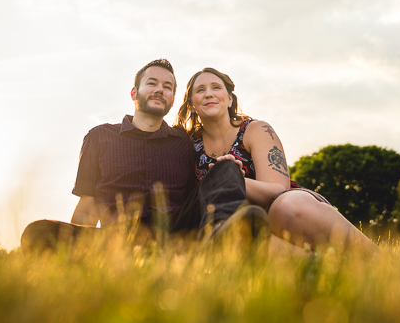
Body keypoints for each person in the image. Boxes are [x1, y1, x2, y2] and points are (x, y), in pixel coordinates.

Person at [21, 59, 269, 253]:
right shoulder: (99, 137)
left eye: (168, 87)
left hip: (175, 232)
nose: (160, 90)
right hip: (116, 238)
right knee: (37, 232)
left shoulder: (183, 142)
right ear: (134, 93)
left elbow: (200, 194)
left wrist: (228, 170)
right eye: (152, 83)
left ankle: (228, 236)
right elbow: (87, 205)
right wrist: (77, 242)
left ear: (172, 100)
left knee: (226, 168)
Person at [174, 67, 378, 253]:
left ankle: (378, 257)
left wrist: (230, 179)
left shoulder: (255, 130)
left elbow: (279, 189)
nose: (208, 93)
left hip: (280, 211)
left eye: (216, 87)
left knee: (286, 206)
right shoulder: (188, 144)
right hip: (243, 230)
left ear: (229, 99)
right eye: (200, 90)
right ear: (192, 105)